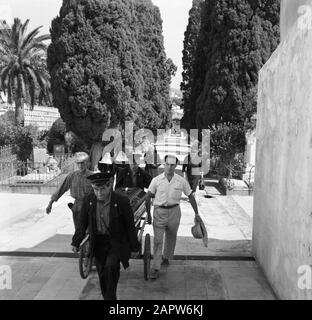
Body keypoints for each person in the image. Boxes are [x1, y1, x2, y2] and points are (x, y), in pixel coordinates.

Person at [71, 172, 140, 300]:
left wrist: (135, 247)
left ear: (109, 186)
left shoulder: (121, 201)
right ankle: (108, 296)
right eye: (96, 189)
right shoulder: (89, 201)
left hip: (116, 242)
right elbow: (82, 225)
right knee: (102, 273)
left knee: (111, 267)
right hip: (98, 243)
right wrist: (75, 242)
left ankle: (110, 298)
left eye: (102, 189)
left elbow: (130, 227)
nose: (99, 193)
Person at [145, 154, 203, 279]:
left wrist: (197, 213)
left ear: (176, 165)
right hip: (159, 212)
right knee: (158, 240)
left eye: (172, 165)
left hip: (174, 212)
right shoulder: (156, 180)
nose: (170, 167)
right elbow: (148, 196)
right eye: (167, 164)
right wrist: (148, 214)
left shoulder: (181, 181)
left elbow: (191, 196)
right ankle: (155, 267)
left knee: (171, 237)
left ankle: (166, 257)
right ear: (164, 164)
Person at [46, 152, 93, 230]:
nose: (80, 165)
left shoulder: (92, 177)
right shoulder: (72, 176)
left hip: (89, 208)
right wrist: (50, 204)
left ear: (87, 163)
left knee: (89, 233)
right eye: (78, 163)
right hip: (77, 209)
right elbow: (61, 189)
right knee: (78, 233)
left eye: (82, 163)